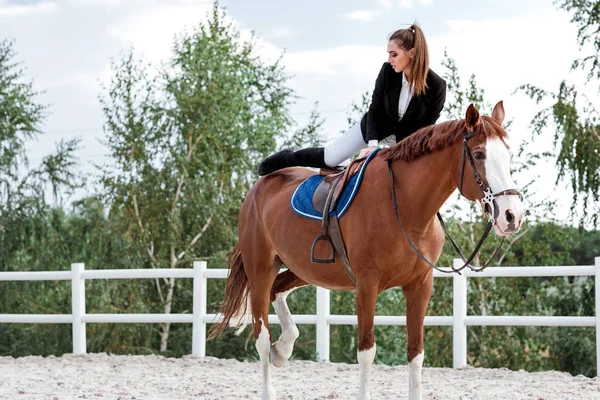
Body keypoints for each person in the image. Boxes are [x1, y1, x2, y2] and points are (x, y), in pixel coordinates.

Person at [258, 23, 447, 176]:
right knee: (330, 158)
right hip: (373, 130)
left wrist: (399, 152)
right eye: (388, 54)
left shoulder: (437, 86)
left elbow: (425, 131)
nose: (390, 59)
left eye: (394, 54)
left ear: (412, 53)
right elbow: (375, 111)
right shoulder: (387, 72)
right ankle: (285, 159)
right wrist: (372, 146)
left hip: (405, 141)